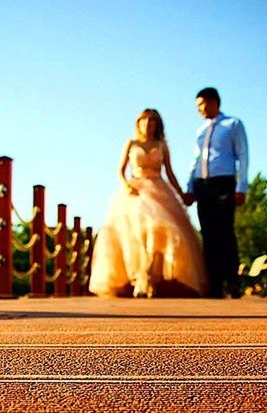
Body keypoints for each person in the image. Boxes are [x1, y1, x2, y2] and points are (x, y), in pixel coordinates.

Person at [89, 108, 208, 298]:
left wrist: (182, 194)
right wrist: (126, 185)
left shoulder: (161, 145)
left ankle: (151, 277)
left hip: (159, 190)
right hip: (134, 191)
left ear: (157, 125)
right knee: (135, 234)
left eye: (152, 121)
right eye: (144, 121)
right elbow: (120, 170)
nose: (148, 124)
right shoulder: (131, 143)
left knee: (159, 230)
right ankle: (139, 279)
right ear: (138, 123)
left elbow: (169, 172)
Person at [183, 87, 248, 298]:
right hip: (203, 185)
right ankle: (214, 285)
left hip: (224, 183)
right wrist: (190, 187)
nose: (199, 109)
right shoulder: (199, 131)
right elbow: (195, 160)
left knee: (225, 231)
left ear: (213, 102)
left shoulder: (233, 125)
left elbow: (243, 156)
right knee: (208, 234)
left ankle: (232, 282)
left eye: (201, 104)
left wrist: (241, 186)